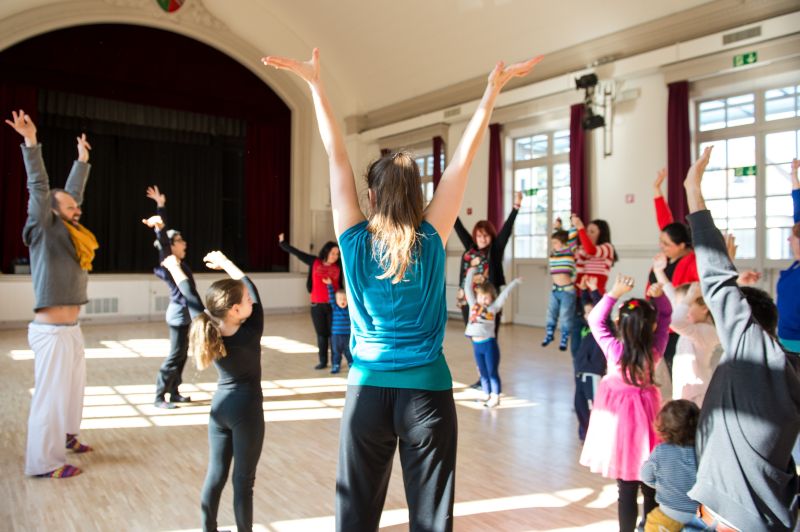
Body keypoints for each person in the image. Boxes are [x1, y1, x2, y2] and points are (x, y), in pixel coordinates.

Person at [263, 48, 542, 531]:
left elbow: (335, 155)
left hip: (367, 393)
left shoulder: (351, 240)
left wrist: (315, 86)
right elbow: (465, 158)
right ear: (418, 197)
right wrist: (490, 92)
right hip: (427, 397)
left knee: (355, 516)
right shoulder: (432, 237)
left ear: (370, 197)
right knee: (432, 519)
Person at [683, 147, 800, 531]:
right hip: (769, 515)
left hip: (734, 517)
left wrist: (693, 194)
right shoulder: (787, 370)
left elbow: (716, 281)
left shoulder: (751, 352)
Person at [6, 110, 96, 478]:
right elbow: (41, 189)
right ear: (53, 212)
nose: (78, 207)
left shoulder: (69, 230)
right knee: (50, 397)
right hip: (51, 332)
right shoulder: (43, 229)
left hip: (70, 329)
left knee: (72, 393)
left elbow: (70, 194)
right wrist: (31, 143)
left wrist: (82, 162)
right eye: (71, 206)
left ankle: (68, 436)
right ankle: (42, 463)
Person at [161, 251, 264, 532]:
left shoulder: (207, 326)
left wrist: (173, 266)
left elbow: (189, 295)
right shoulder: (251, 330)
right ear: (234, 310)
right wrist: (227, 264)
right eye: (245, 301)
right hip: (247, 411)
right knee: (244, 482)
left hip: (221, 409)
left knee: (216, 475)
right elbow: (251, 286)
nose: (250, 301)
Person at [579, 274, 671, 531]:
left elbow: (596, 321)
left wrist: (613, 293)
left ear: (619, 323)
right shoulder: (656, 349)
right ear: (651, 328)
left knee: (626, 489)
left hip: (621, 422)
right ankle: (650, 527)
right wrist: (659, 297)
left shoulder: (615, 350)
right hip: (647, 417)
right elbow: (666, 318)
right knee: (650, 485)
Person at [142, 185, 197, 409]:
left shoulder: (181, 263)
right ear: (172, 246)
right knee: (175, 356)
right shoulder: (168, 262)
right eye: (180, 241)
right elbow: (163, 241)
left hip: (184, 316)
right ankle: (159, 396)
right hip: (177, 316)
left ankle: (174, 391)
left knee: (182, 356)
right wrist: (161, 206)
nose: (185, 243)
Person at [650, 168, 700, 375]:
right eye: (661, 242)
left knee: (679, 367)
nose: (662, 246)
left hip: (679, 324)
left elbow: (691, 295)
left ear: (682, 245)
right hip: (663, 320)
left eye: (667, 244)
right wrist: (656, 189)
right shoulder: (669, 256)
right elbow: (665, 222)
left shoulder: (692, 261)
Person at [652, 255, 720, 408]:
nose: (683, 307)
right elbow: (672, 297)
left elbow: (674, 321)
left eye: (688, 304)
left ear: (704, 308)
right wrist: (659, 271)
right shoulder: (692, 326)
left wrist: (688, 298)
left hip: (698, 395)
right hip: (685, 391)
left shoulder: (706, 331)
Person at [453, 190, 523, 328]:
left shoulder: (495, 249)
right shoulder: (470, 247)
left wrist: (516, 207)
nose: (482, 239)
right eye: (479, 236)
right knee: (473, 333)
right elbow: (458, 226)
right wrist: (450, 204)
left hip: (488, 297)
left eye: (486, 236)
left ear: (491, 236)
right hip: (468, 297)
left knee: (489, 334)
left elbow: (507, 229)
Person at [278, 232, 343, 369]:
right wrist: (283, 243)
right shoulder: (315, 262)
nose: (335, 256)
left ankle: (335, 363)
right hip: (317, 306)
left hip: (334, 306)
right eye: (333, 253)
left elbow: (341, 285)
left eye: (337, 254)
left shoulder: (339, 266)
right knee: (321, 335)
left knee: (334, 335)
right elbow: (297, 253)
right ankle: (323, 361)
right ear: (326, 252)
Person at [640, 399, 705, 532]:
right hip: (701, 518)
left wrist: (660, 484)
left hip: (667, 517)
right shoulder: (705, 450)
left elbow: (645, 476)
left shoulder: (661, 451)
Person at [463, 267, 521, 407]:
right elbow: (467, 288)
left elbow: (504, 295)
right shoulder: (473, 305)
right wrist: (471, 273)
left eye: (487, 297)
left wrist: (514, 283)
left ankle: (495, 396)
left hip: (489, 345)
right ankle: (486, 394)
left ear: (491, 298)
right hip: (477, 346)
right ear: (477, 296)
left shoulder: (493, 308)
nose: (483, 299)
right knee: (482, 372)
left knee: (492, 372)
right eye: (481, 296)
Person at [572, 275, 608, 441]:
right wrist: (584, 290)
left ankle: (594, 437)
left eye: (591, 313)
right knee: (579, 405)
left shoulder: (603, 329)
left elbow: (601, 309)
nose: (588, 315)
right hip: (581, 373)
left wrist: (594, 290)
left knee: (593, 407)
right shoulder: (586, 328)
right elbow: (586, 305)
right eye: (586, 313)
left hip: (593, 373)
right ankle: (584, 435)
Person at [777, 158, 800, 355]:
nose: (788, 240)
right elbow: (798, 209)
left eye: (792, 237)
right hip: (785, 341)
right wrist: (794, 177)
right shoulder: (796, 266)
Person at [541, 225, 576, 351]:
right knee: (551, 312)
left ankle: (565, 337)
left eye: (555, 243)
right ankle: (550, 334)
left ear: (563, 243)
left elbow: (570, 239)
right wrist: (557, 227)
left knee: (565, 315)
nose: (553, 245)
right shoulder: (553, 254)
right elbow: (558, 235)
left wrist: (572, 226)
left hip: (567, 290)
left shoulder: (569, 253)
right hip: (555, 289)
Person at [324, 277, 352, 374]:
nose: (342, 301)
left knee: (348, 351)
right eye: (340, 299)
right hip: (336, 336)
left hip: (348, 335)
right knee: (336, 352)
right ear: (336, 301)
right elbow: (331, 296)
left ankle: (351, 363)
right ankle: (336, 365)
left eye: (345, 299)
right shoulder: (335, 308)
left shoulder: (350, 309)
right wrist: (329, 285)